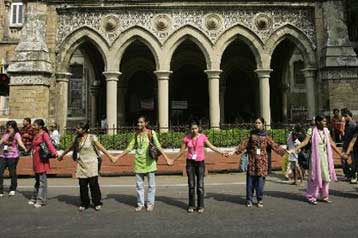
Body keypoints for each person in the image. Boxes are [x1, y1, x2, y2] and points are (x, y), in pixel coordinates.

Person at [112, 116, 172, 212]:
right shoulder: (136, 134)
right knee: (139, 185)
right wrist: (117, 157)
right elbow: (129, 148)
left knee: (151, 185)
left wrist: (167, 158)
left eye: (141, 122)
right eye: (138, 122)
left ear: (146, 123)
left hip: (150, 163)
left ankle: (150, 203)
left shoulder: (151, 133)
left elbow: (158, 146)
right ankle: (140, 203)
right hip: (138, 162)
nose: (139, 124)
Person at [230, 117, 287, 208]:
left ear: (263, 124)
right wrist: (233, 151)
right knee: (250, 182)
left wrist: (285, 151)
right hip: (252, 161)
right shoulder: (251, 135)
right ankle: (249, 199)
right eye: (256, 123)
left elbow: (274, 145)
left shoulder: (266, 136)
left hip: (262, 162)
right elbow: (243, 145)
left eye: (259, 123)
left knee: (260, 183)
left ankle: (259, 199)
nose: (257, 124)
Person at [173, 121, 229, 213]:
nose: (194, 130)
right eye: (192, 128)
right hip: (190, 163)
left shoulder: (202, 137)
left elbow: (212, 147)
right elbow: (181, 151)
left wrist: (222, 153)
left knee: (200, 185)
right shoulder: (187, 138)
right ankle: (191, 205)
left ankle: (200, 205)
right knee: (191, 185)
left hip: (200, 163)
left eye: (195, 128)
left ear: (198, 129)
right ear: (190, 129)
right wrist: (173, 160)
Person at [58, 122, 115, 211]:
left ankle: (97, 202)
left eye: (78, 128)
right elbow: (70, 148)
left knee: (93, 184)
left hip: (92, 163)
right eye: (76, 128)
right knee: (82, 185)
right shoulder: (76, 139)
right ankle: (85, 203)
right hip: (81, 164)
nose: (76, 130)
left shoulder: (92, 137)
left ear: (84, 129)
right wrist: (61, 155)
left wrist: (110, 156)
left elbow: (101, 147)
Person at [291, 115, 344, 205]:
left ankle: (324, 196)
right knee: (314, 176)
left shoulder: (326, 131)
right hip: (315, 158)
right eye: (323, 121)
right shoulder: (311, 131)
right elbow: (305, 142)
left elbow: (331, 143)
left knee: (326, 177)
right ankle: (311, 196)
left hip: (325, 156)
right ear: (318, 122)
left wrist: (341, 154)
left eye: (325, 121)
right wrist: (295, 149)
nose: (325, 123)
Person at [28, 119, 57, 208]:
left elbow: (49, 144)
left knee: (42, 181)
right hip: (36, 160)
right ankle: (35, 197)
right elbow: (33, 145)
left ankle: (41, 200)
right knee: (37, 180)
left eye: (35, 125)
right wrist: (27, 150)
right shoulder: (36, 134)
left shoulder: (44, 134)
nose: (33, 126)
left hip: (42, 160)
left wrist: (54, 153)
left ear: (40, 126)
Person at [0, 121, 27, 197]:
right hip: (3, 155)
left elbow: (20, 142)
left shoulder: (16, 134)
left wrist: (24, 148)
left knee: (12, 173)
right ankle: (0, 190)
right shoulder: (6, 134)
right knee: (0, 172)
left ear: (14, 127)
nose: (9, 128)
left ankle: (12, 189)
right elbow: (1, 141)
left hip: (13, 156)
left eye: (10, 127)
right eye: (8, 127)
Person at [341, 109, 356, 180]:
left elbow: (353, 138)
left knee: (352, 161)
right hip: (346, 144)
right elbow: (345, 136)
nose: (344, 118)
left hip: (351, 146)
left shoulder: (353, 125)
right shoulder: (346, 124)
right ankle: (348, 175)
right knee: (344, 160)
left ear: (349, 116)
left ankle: (352, 175)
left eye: (345, 116)